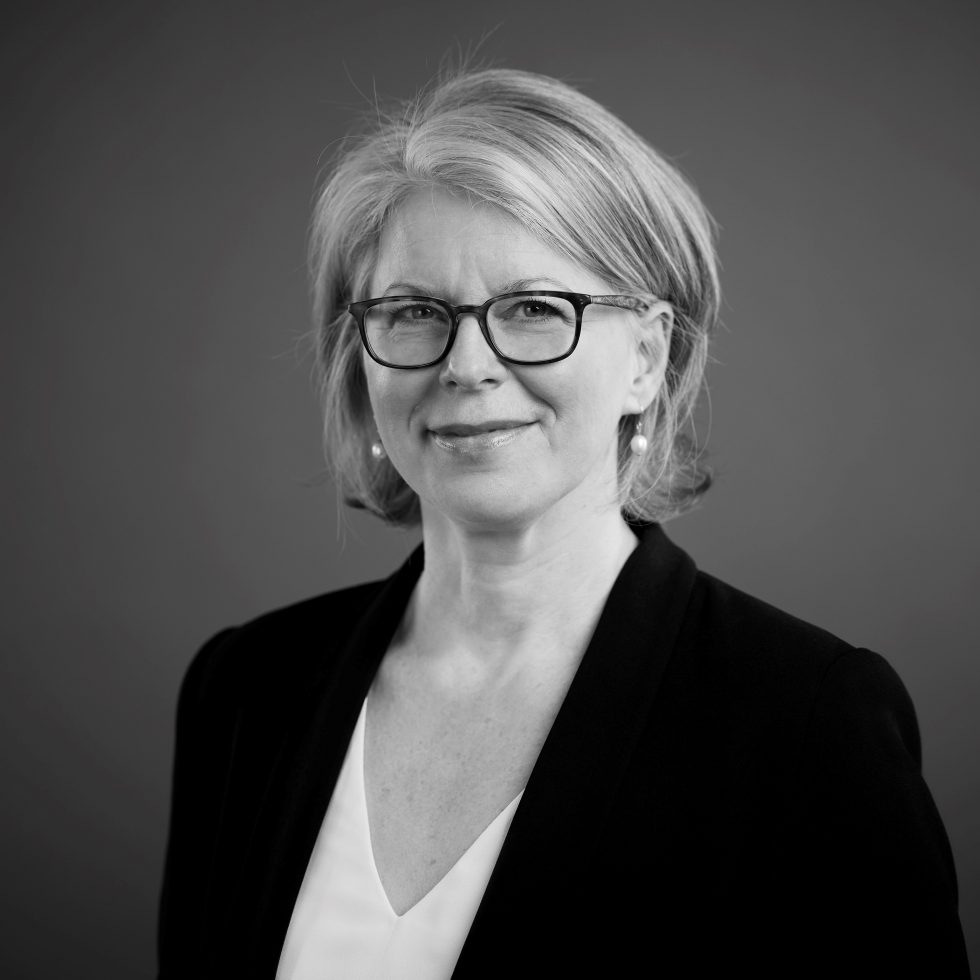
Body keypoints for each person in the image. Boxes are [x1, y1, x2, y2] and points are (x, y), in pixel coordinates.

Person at [157, 68, 970, 979]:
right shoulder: (246, 690)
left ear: (647, 359)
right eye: (416, 312)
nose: (467, 365)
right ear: (361, 357)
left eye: (535, 309)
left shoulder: (810, 721)